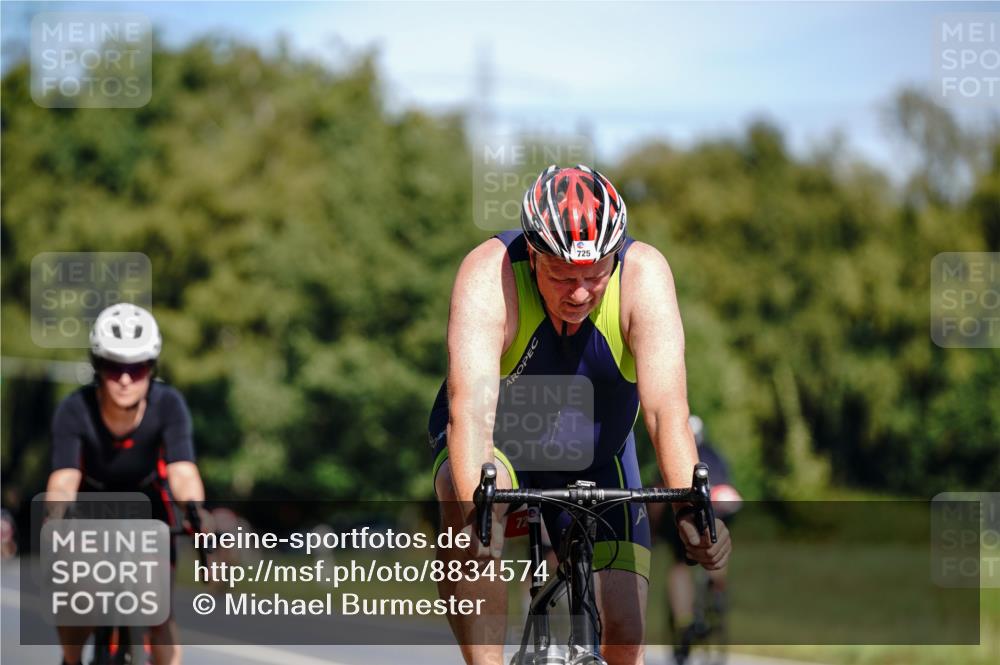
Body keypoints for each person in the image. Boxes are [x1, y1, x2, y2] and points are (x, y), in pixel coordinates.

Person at [429, 164, 732, 665]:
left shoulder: (645, 276)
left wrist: (692, 515)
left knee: (626, 634)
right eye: (562, 275)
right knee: (474, 521)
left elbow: (665, 412)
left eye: (595, 275)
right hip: (501, 439)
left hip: (597, 450)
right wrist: (475, 516)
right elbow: (470, 413)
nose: (579, 293)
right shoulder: (489, 273)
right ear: (532, 255)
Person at [45, 303, 209, 665]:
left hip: (150, 510)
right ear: (97, 367)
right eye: (113, 366)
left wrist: (196, 515)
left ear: (151, 369)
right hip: (89, 511)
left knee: (159, 611)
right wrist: (56, 519)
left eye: (136, 368)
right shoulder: (75, 409)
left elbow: (183, 471)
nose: (124, 379)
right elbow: (63, 480)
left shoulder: (169, 404)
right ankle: (71, 660)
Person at [657, 415, 742, 665]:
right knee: (716, 546)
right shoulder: (715, 454)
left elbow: (658, 491)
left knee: (679, 564)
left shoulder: (671, 452)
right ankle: (717, 591)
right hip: (723, 507)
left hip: (687, 506)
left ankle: (684, 622)